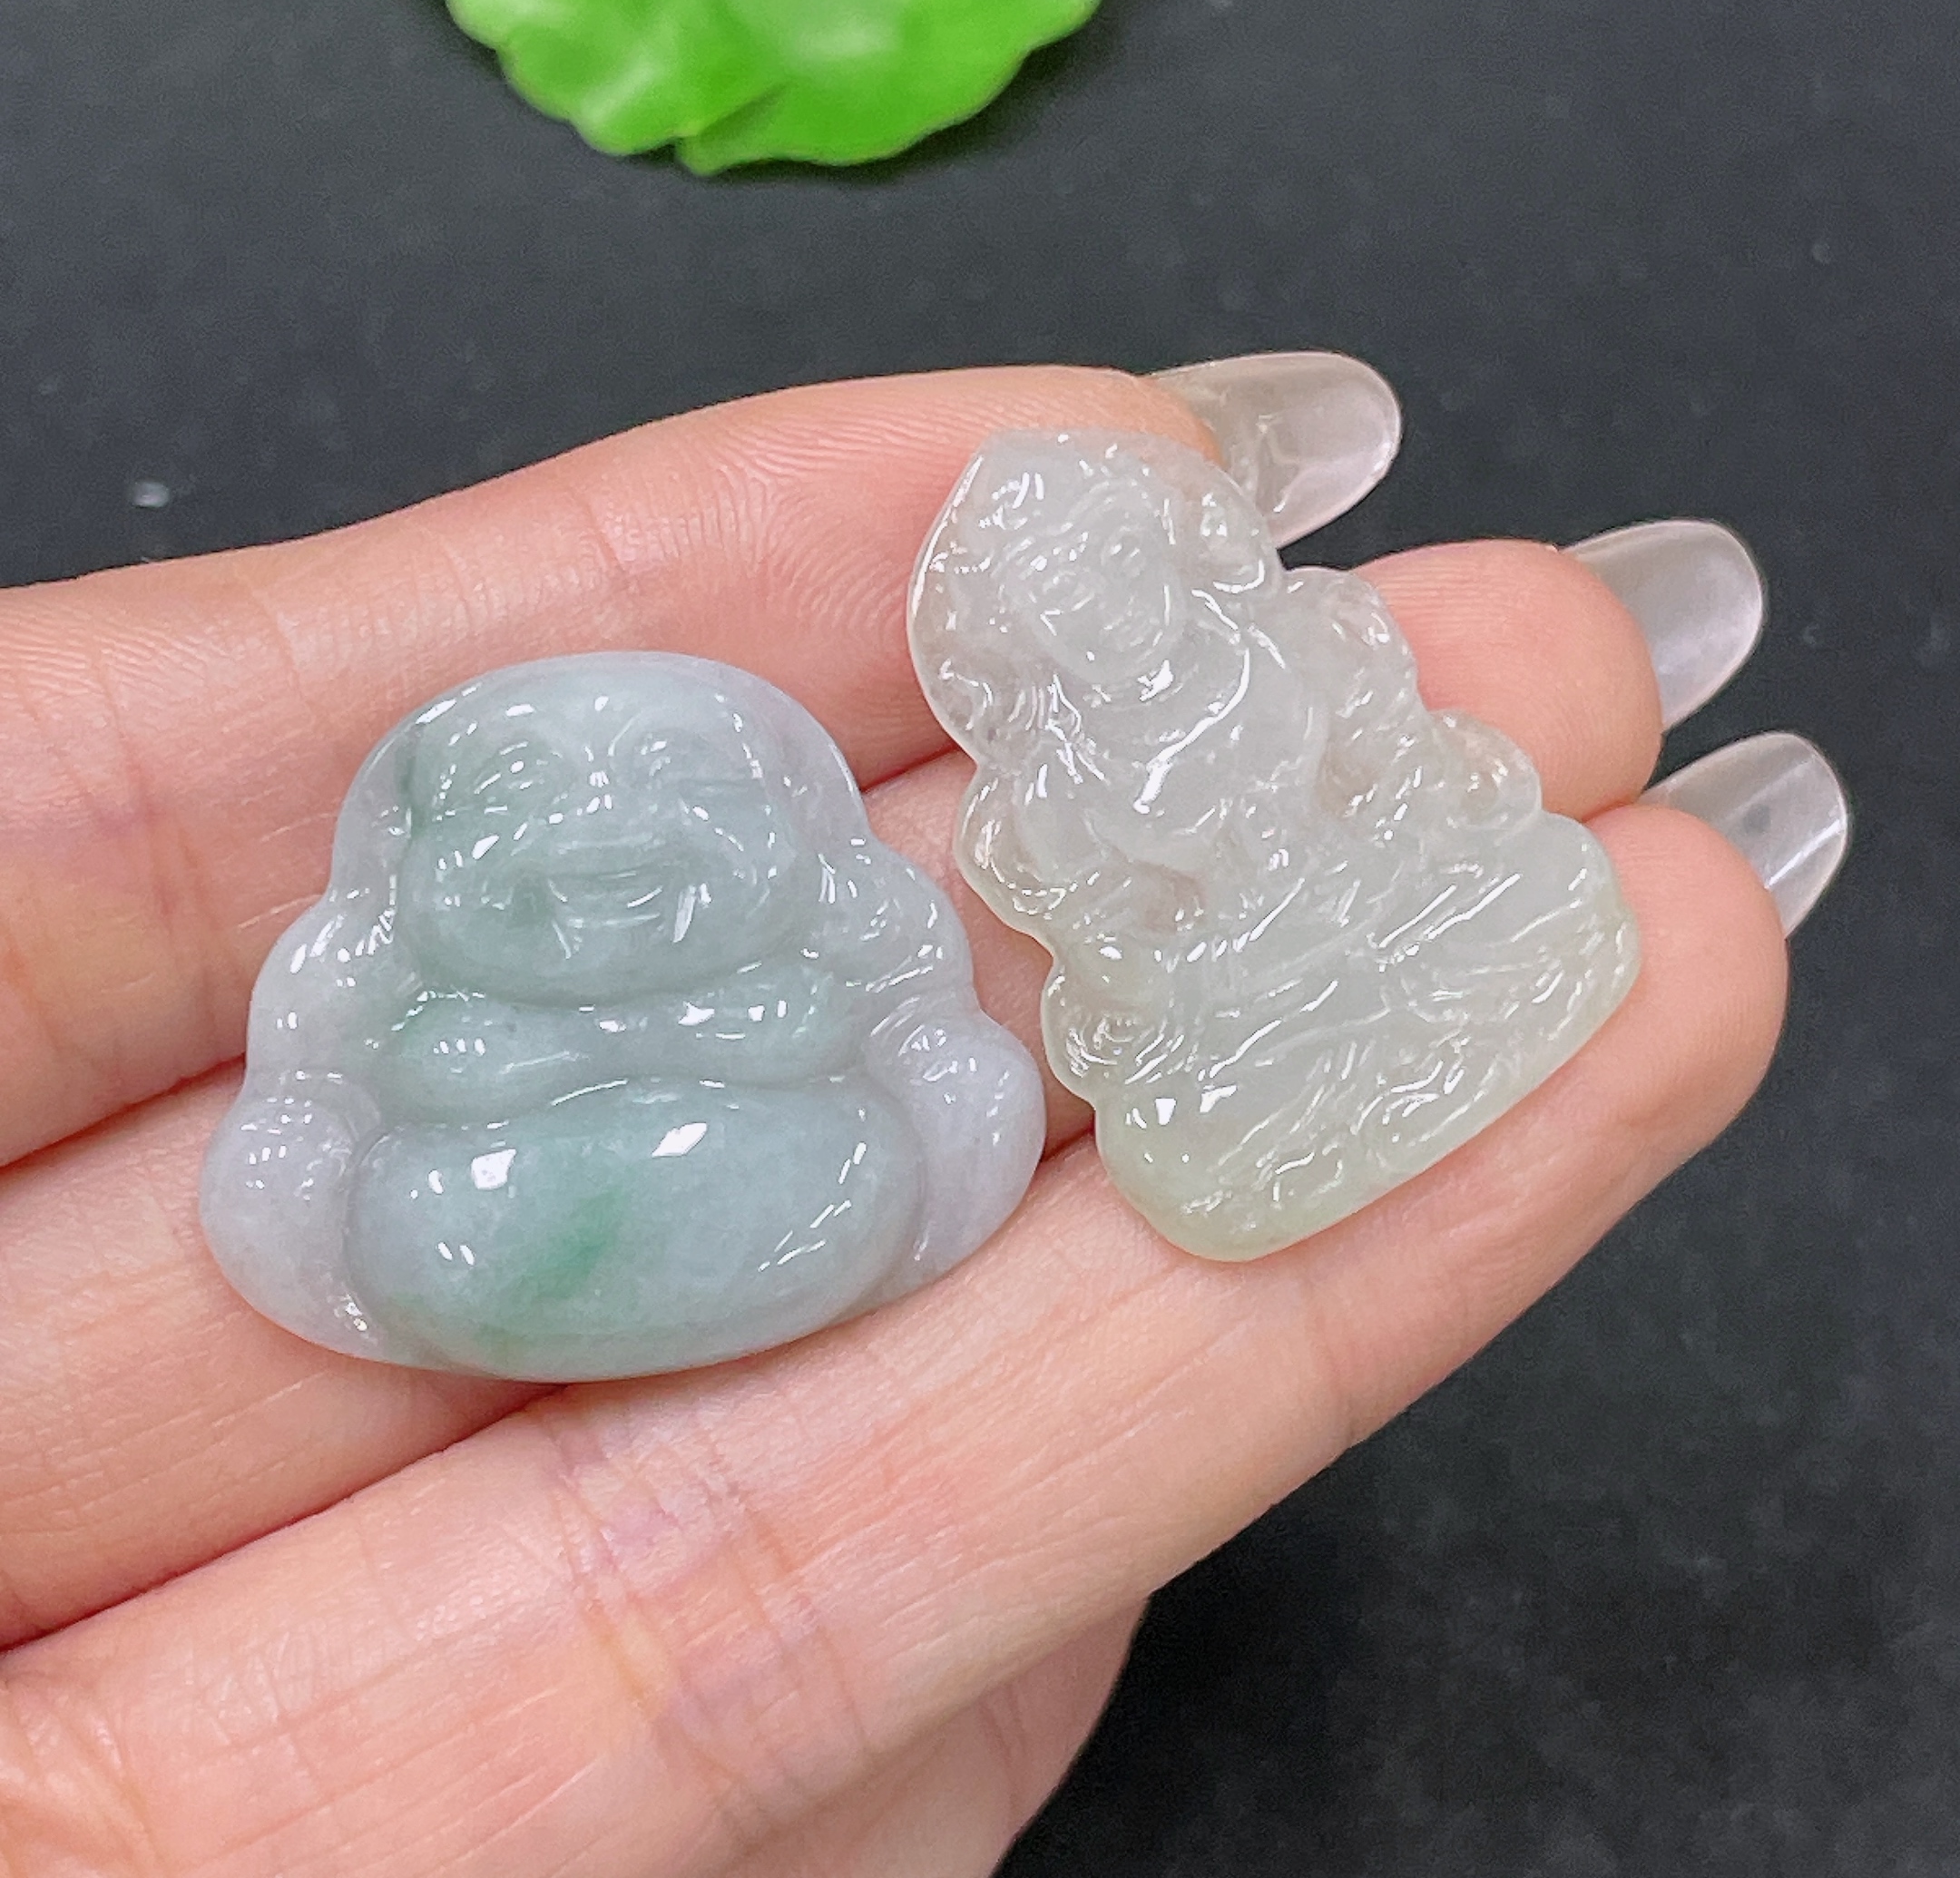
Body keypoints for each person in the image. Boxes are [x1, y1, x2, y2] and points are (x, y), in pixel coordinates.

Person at [0, 357, 1837, 1874]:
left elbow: (1408, 792)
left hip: (1282, 949)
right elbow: (1109, 952)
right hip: (510, 1203)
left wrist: (1371, 858)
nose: (607, 848)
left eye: (1124, 580)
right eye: (1066, 607)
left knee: (1438, 922)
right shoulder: (1038, 795)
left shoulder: (1298, 660)